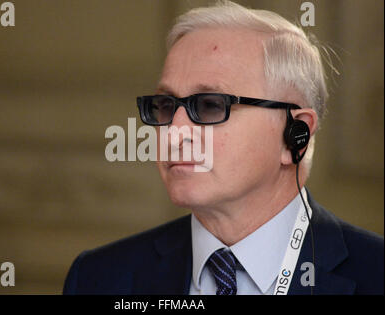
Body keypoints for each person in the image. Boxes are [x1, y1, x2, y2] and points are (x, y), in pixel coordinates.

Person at [63, 1, 383, 295]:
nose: (173, 133)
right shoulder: (98, 278)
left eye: (211, 105)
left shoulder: (376, 275)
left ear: (294, 135)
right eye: (165, 104)